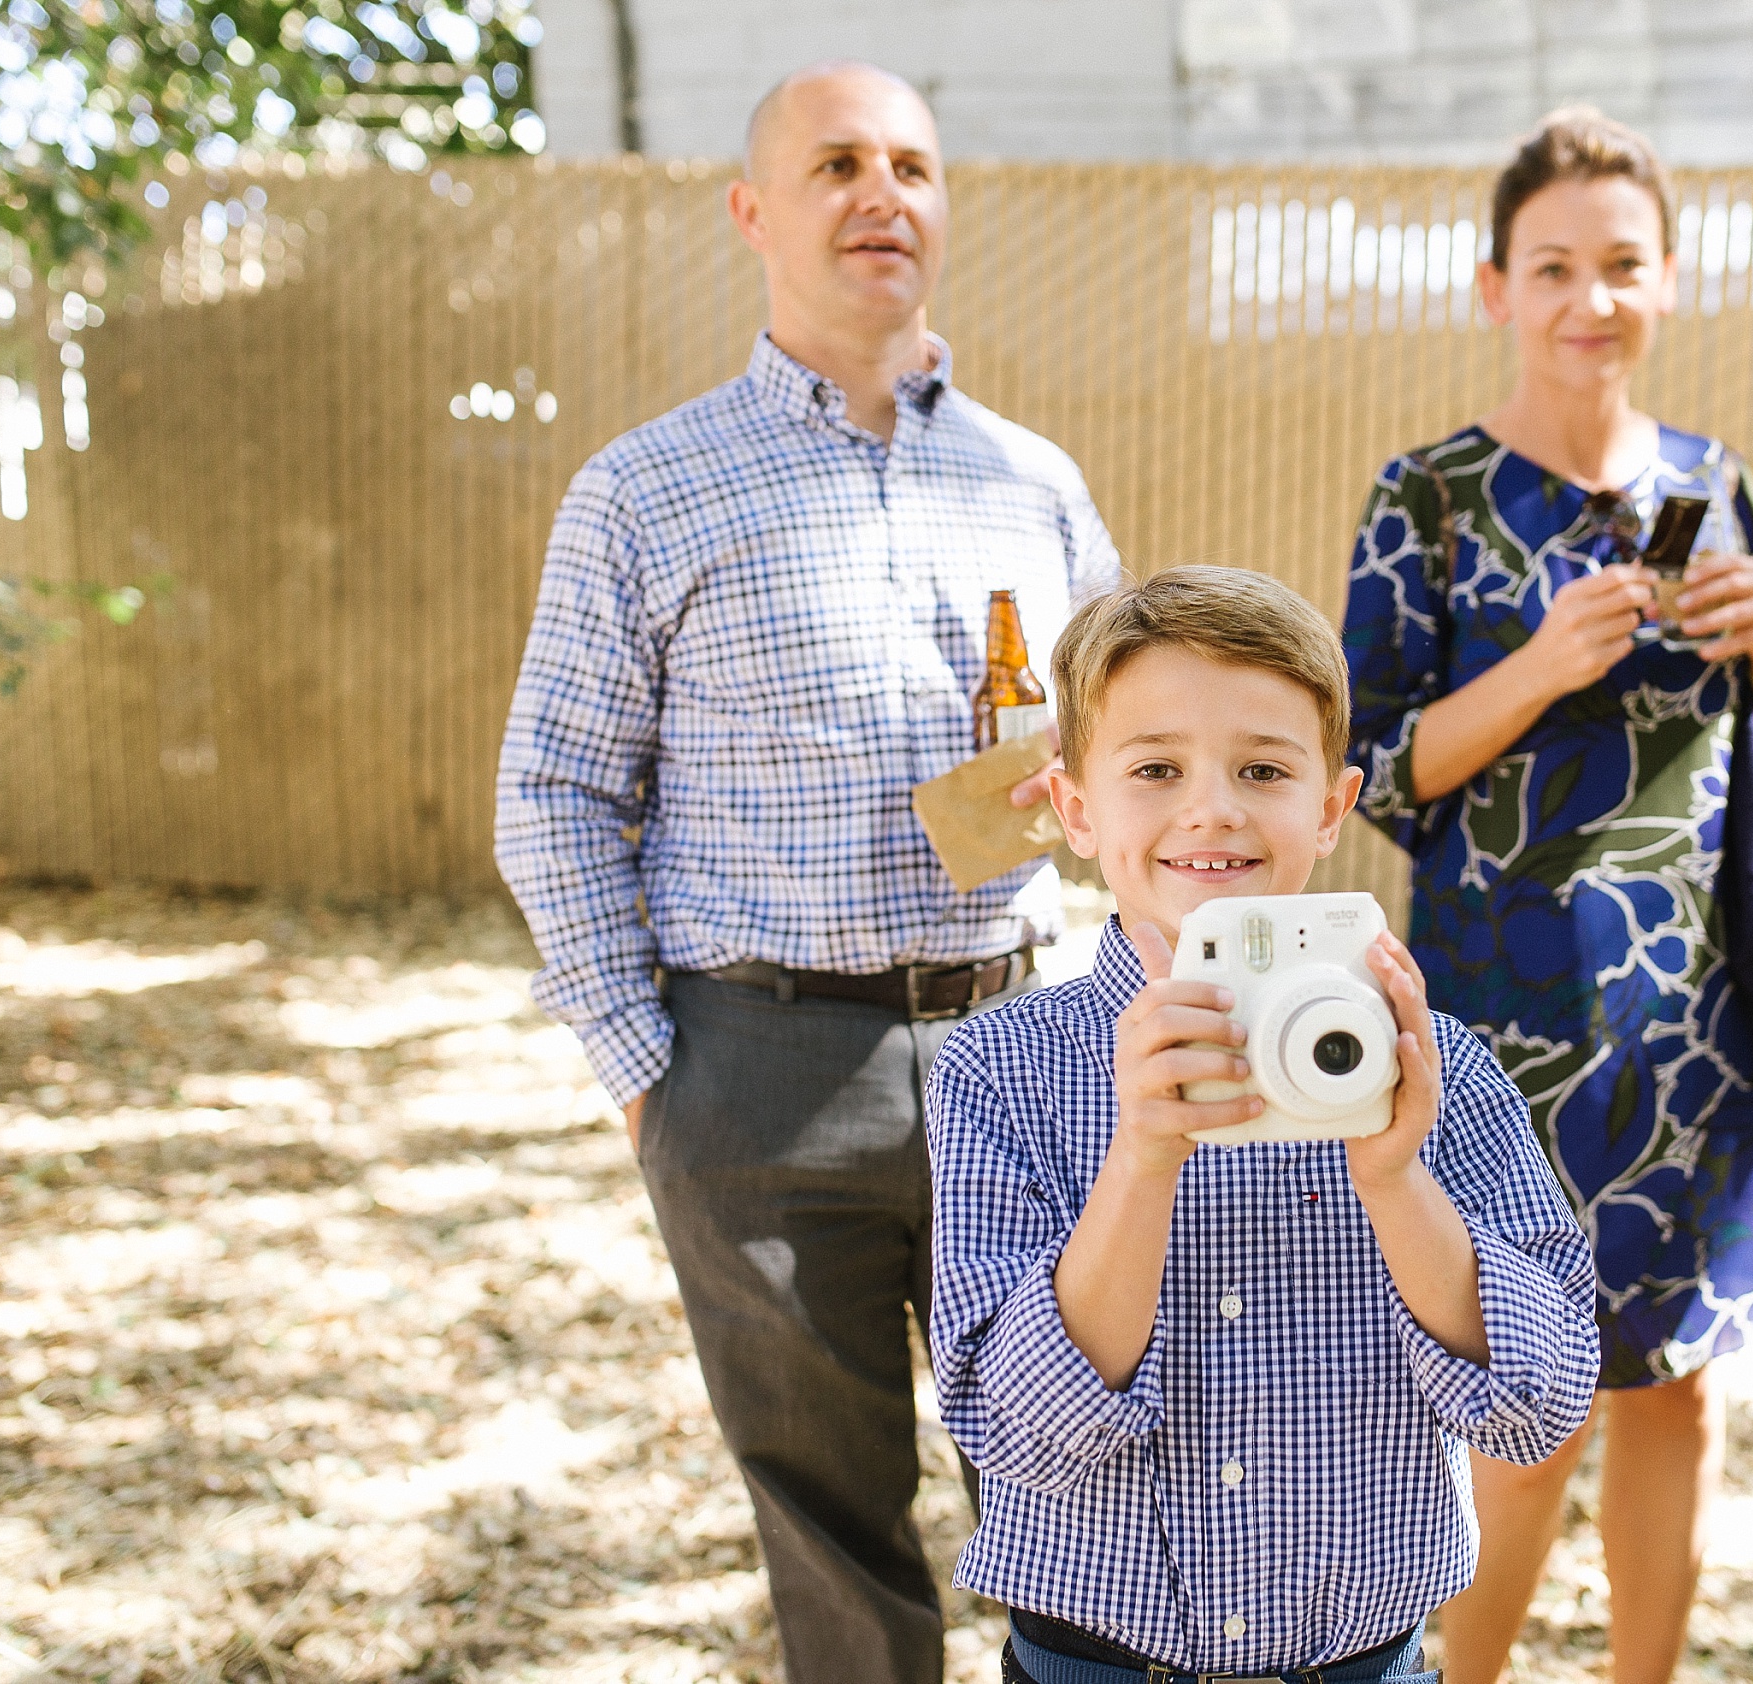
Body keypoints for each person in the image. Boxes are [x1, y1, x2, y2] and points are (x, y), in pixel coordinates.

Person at [492, 62, 1118, 1684]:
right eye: (836, 162)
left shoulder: (1036, 486)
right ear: (753, 211)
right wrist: (654, 1077)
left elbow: (1127, 771)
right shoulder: (645, 489)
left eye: (912, 162)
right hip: (760, 1078)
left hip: (1025, 1052)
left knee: (1084, 1487)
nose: (881, 193)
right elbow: (555, 792)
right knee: (833, 1523)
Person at [1341, 108, 1753, 1684]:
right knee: (1530, 1395)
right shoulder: (1428, 497)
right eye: (1556, 267)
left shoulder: (1716, 480)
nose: (1593, 299)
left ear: (1667, 282)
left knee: (1681, 1385)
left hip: (1698, 1011)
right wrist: (1540, 666)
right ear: (1495, 286)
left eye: (1623, 267)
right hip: (1509, 1024)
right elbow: (1372, 772)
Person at [924, 565, 1601, 1684]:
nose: (1213, 807)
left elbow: (1539, 1403)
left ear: (1329, 807)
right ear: (1077, 810)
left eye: (1262, 769)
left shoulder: (1447, 1072)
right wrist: (1138, 1164)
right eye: (1155, 768)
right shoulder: (1002, 1069)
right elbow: (1016, 1435)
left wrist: (1394, 1178)